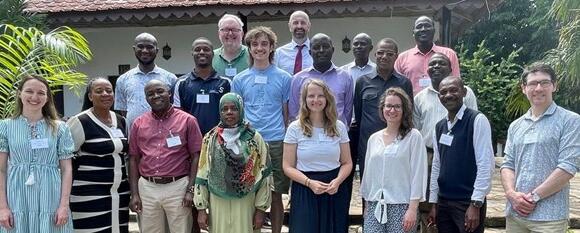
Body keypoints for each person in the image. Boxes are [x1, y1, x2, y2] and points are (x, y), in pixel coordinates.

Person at [500, 62, 580, 232]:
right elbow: (508, 164)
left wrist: (533, 197)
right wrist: (511, 194)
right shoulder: (516, 125)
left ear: (554, 86)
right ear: (524, 88)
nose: (538, 88)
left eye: (544, 82)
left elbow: (567, 167)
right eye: (532, 83)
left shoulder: (570, 121)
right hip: (516, 214)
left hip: (549, 218)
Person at [231, 26, 292, 233]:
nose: (259, 48)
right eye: (255, 44)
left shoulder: (284, 78)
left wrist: (285, 140)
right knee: (249, 191)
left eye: (264, 44)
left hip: (276, 140)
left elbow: (286, 113)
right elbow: (237, 114)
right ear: (248, 48)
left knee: (276, 193)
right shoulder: (239, 80)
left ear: (272, 47)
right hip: (249, 141)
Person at [413, 52, 478, 233]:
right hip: (428, 155)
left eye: (441, 63)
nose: (435, 67)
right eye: (432, 64)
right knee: (429, 203)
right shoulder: (420, 97)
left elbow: (472, 122)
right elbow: (416, 130)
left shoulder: (467, 93)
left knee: (458, 202)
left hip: (460, 154)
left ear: (451, 69)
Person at [0, 75, 74, 232]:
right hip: (16, 197)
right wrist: (2, 207)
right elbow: (1, 169)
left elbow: (67, 169)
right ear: (19, 94)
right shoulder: (5, 127)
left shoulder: (60, 128)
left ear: (47, 97)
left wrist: (63, 205)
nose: (35, 97)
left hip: (51, 197)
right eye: (29, 91)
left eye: (41, 93)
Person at [128, 80, 202, 233]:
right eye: (150, 94)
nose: (156, 96)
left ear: (169, 93)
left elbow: (197, 157)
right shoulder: (138, 123)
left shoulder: (188, 120)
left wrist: (191, 190)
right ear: (146, 98)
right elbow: (133, 159)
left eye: (160, 91)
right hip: (147, 188)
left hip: (178, 187)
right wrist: (134, 194)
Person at [194, 93, 272, 233]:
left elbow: (264, 174)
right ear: (220, 112)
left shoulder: (254, 138)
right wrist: (201, 208)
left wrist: (261, 210)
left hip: (246, 200)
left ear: (241, 110)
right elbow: (202, 173)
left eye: (233, 108)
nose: (229, 112)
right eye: (224, 109)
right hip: (218, 200)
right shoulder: (210, 138)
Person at [282, 79, 353, 233]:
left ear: (327, 99)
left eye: (320, 96)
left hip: (333, 188)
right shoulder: (295, 128)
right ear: (304, 100)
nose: (315, 100)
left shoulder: (339, 126)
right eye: (311, 96)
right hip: (305, 188)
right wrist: (309, 183)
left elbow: (347, 162)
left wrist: (338, 182)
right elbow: (287, 166)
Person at [427, 76, 494, 233]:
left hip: (467, 202)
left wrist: (476, 203)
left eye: (453, 90)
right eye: (443, 92)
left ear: (464, 92)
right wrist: (434, 203)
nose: (448, 95)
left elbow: (486, 164)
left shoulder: (477, 120)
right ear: (439, 97)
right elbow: (437, 164)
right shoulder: (439, 127)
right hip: (444, 203)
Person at [66, 77, 130, 233]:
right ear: (90, 96)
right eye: (99, 91)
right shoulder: (80, 121)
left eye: (109, 90)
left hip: (119, 194)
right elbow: (65, 159)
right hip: (88, 195)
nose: (105, 94)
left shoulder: (121, 121)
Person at [360, 87, 428, 233]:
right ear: (382, 108)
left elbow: (418, 174)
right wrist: (366, 204)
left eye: (397, 106)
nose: (392, 110)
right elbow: (368, 174)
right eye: (388, 106)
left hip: (402, 205)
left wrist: (412, 208)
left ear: (404, 110)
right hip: (375, 204)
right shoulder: (374, 138)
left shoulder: (413, 137)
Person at [354, 38, 413, 179]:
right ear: (375, 54)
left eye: (389, 54)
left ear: (396, 56)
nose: (384, 57)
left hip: (397, 145)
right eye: (380, 53)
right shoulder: (362, 82)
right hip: (369, 145)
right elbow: (359, 114)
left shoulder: (404, 83)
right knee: (369, 187)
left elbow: (408, 114)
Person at [340, 32, 376, 219]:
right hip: (347, 130)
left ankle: (367, 219)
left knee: (368, 176)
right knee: (345, 175)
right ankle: (342, 219)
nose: (359, 47)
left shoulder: (377, 70)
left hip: (368, 130)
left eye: (363, 44)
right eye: (356, 44)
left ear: (371, 48)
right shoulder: (343, 71)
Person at [114, 32, 177, 132]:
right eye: (140, 47)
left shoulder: (170, 78)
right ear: (134, 49)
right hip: (136, 136)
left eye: (149, 47)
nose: (145, 51)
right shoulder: (123, 79)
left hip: (165, 134)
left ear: (156, 51)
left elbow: (175, 108)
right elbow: (123, 110)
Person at [290, 33, 354, 126]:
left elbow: (348, 111)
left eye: (325, 46)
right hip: (307, 135)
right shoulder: (298, 79)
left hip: (336, 134)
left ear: (332, 50)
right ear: (310, 52)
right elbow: (294, 111)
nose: (321, 50)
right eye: (316, 47)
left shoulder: (345, 77)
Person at [174, 37, 231, 135]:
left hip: (220, 139)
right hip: (191, 140)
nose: (201, 52)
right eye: (197, 49)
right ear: (192, 53)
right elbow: (178, 115)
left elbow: (232, 112)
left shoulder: (226, 83)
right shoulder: (181, 83)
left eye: (206, 49)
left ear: (213, 53)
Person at [394, 16, 460, 95]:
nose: (423, 29)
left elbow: (456, 82)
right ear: (413, 32)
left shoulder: (449, 54)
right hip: (412, 105)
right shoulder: (402, 58)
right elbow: (396, 86)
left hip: (443, 104)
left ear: (434, 31)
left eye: (427, 26)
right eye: (419, 27)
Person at [274, 10, 313, 75]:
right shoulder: (279, 53)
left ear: (309, 26)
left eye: (303, 23)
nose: (299, 26)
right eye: (295, 23)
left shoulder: (317, 52)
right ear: (289, 26)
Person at [213, 14, 249, 79]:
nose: (230, 33)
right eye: (226, 29)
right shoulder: (211, 57)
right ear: (219, 34)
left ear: (242, 33)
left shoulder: (252, 55)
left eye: (234, 29)